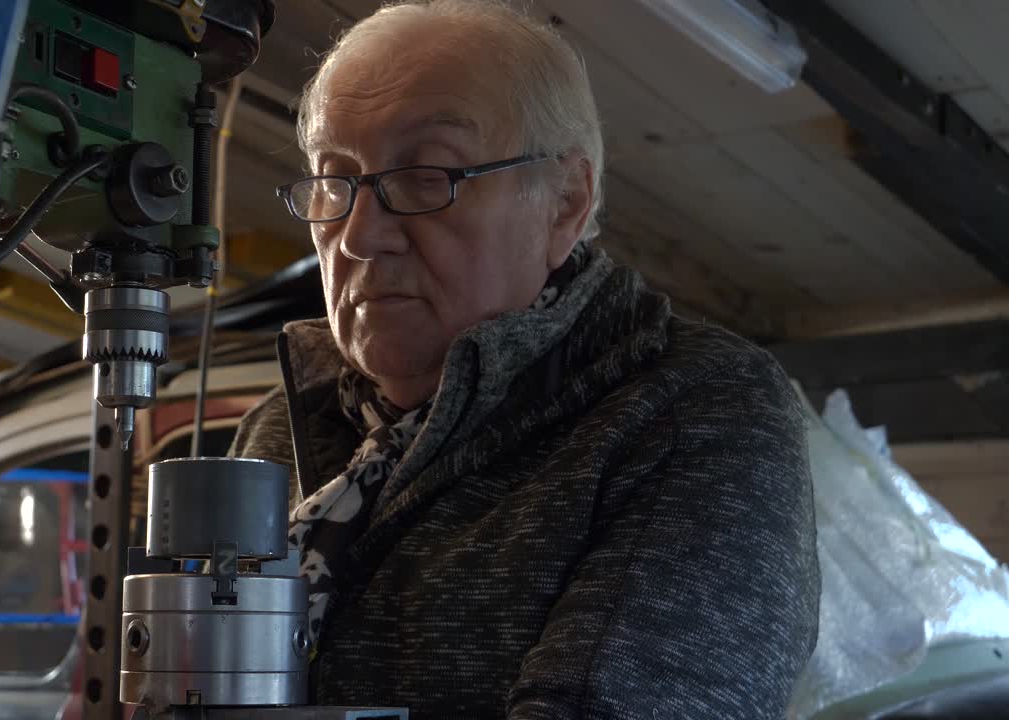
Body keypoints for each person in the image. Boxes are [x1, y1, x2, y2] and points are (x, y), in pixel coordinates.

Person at [230, 1, 820, 717]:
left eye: (425, 176)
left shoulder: (690, 410)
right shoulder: (275, 432)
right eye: (334, 180)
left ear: (564, 202)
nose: (357, 238)